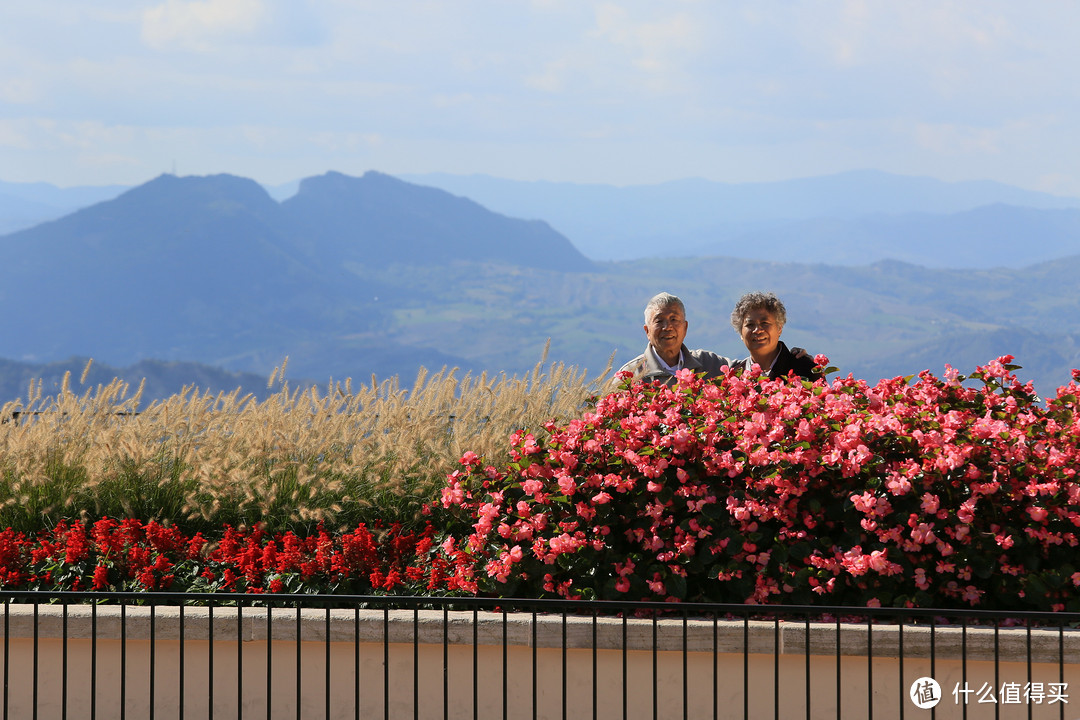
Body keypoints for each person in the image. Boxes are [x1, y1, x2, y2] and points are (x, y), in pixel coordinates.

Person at [615, 292, 734, 386]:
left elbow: (748, 367)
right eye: (659, 321)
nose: (667, 327)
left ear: (685, 327)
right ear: (647, 331)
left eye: (674, 319)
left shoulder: (709, 363)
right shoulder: (630, 375)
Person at [730, 291, 820, 381]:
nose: (757, 330)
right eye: (750, 324)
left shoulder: (806, 369)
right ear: (741, 333)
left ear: (779, 328)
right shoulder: (734, 378)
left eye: (764, 323)